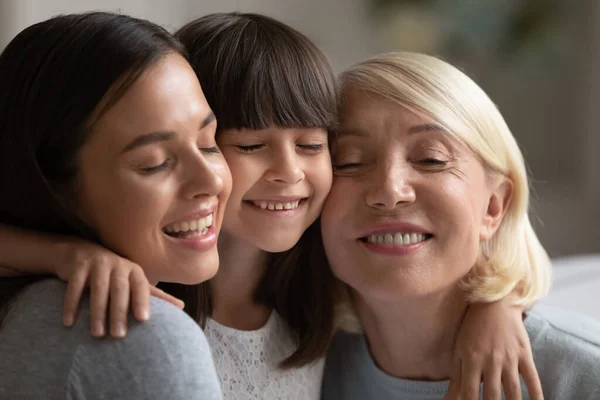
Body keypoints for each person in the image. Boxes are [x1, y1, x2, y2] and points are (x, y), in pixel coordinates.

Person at [0, 13, 544, 400]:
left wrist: (494, 305)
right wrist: (61, 253)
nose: (287, 172)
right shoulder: (141, 288)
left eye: (314, 146)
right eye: (250, 146)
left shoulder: (321, 288)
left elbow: (431, 270)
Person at [320, 51, 600, 399]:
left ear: (493, 207)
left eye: (431, 159)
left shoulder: (585, 375)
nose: (390, 191)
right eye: (349, 162)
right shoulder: (304, 368)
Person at [0, 12, 231, 399]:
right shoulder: (144, 336)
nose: (210, 180)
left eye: (208, 143)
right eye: (155, 162)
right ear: (54, 187)